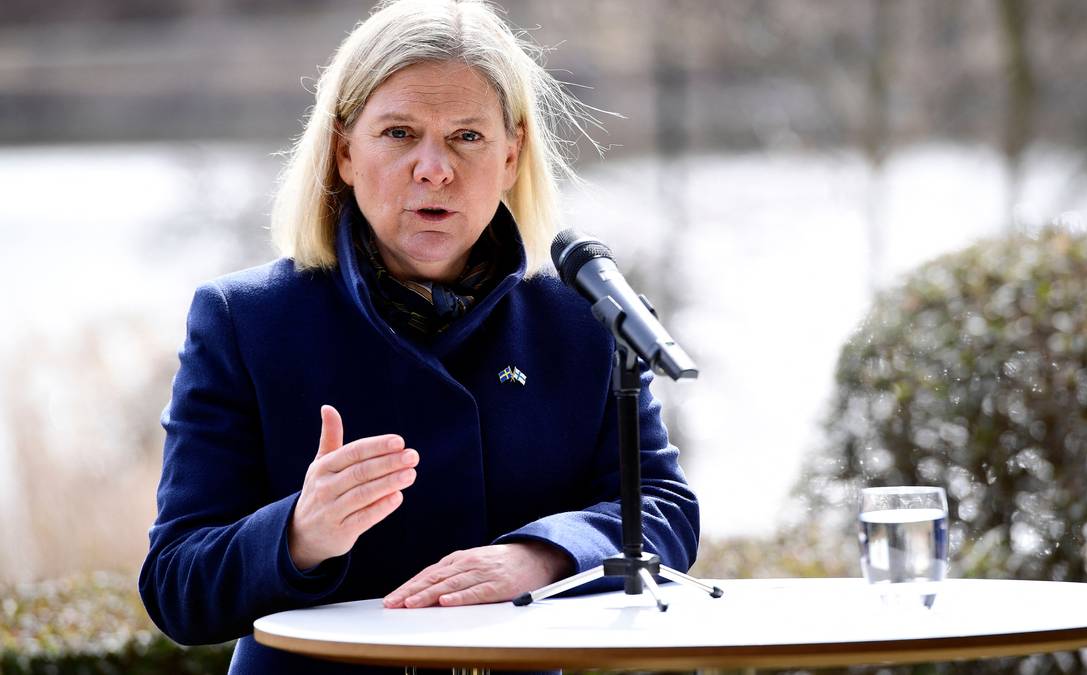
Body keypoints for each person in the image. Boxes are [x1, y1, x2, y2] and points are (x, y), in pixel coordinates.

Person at [137, 1, 701, 673]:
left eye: (467, 136)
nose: (434, 168)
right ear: (344, 150)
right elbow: (175, 586)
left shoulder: (580, 316)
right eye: (400, 133)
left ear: (512, 154)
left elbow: (666, 510)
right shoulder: (244, 319)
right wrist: (298, 534)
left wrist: (541, 556)